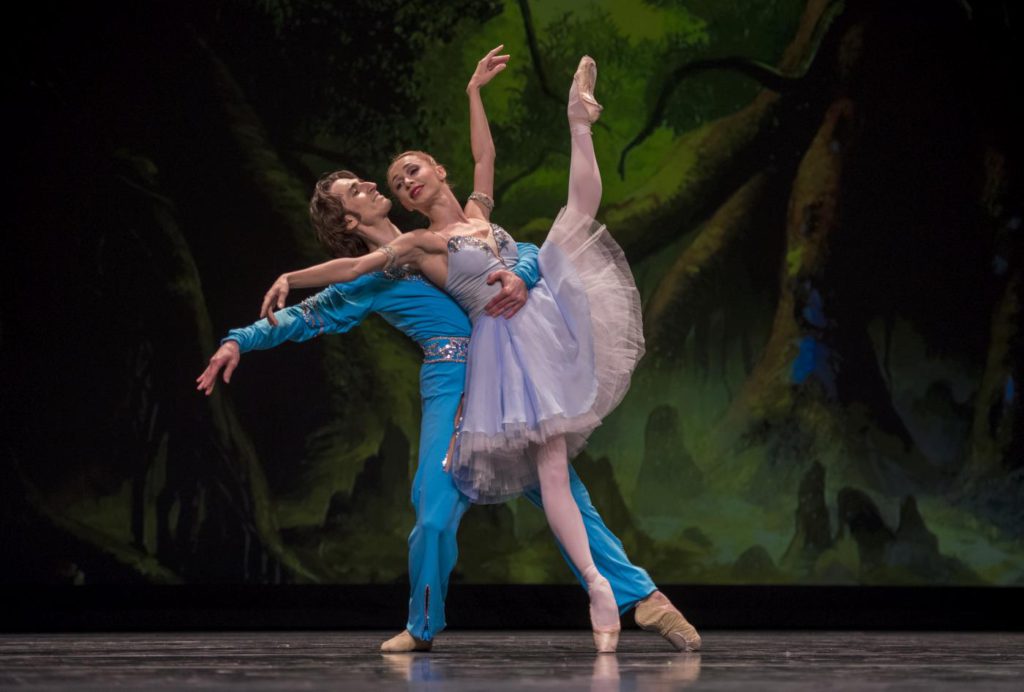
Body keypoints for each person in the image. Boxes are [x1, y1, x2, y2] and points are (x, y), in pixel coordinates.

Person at [238, 47, 700, 654]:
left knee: (563, 485)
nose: (389, 182)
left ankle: (639, 599)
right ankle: (434, 622)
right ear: (358, 215)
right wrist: (255, 321)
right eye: (372, 185)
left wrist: (474, 93)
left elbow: (494, 180)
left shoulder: (465, 216)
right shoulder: (404, 254)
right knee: (448, 510)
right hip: (469, 378)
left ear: (436, 173)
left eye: (406, 171)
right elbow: (330, 294)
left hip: (520, 352)